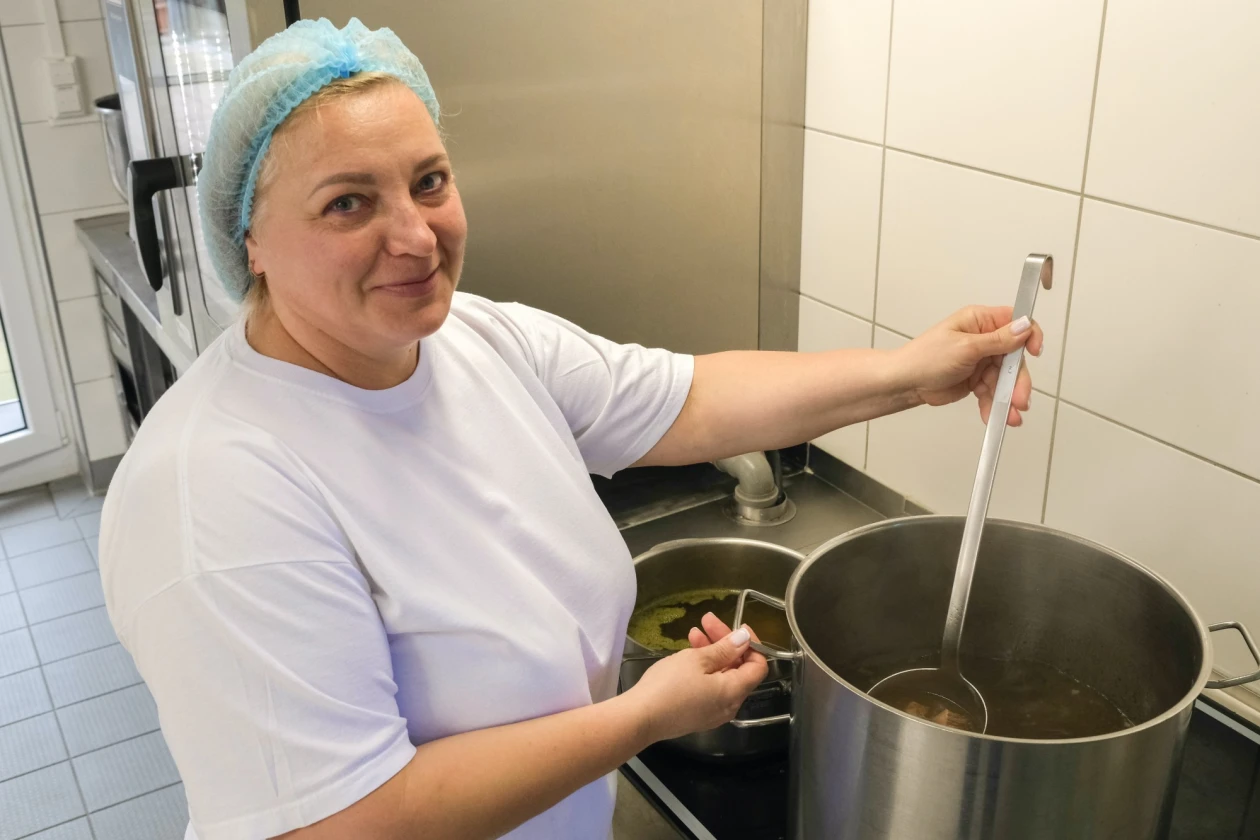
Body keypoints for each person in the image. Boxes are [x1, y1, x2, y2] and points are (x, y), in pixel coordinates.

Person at [99, 17, 1044, 840]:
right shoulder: (214, 491)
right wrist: (640, 719)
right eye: (348, 202)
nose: (418, 236)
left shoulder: (476, 340)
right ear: (249, 240)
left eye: (429, 182)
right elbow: (344, 823)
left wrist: (911, 375)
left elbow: (692, 401)